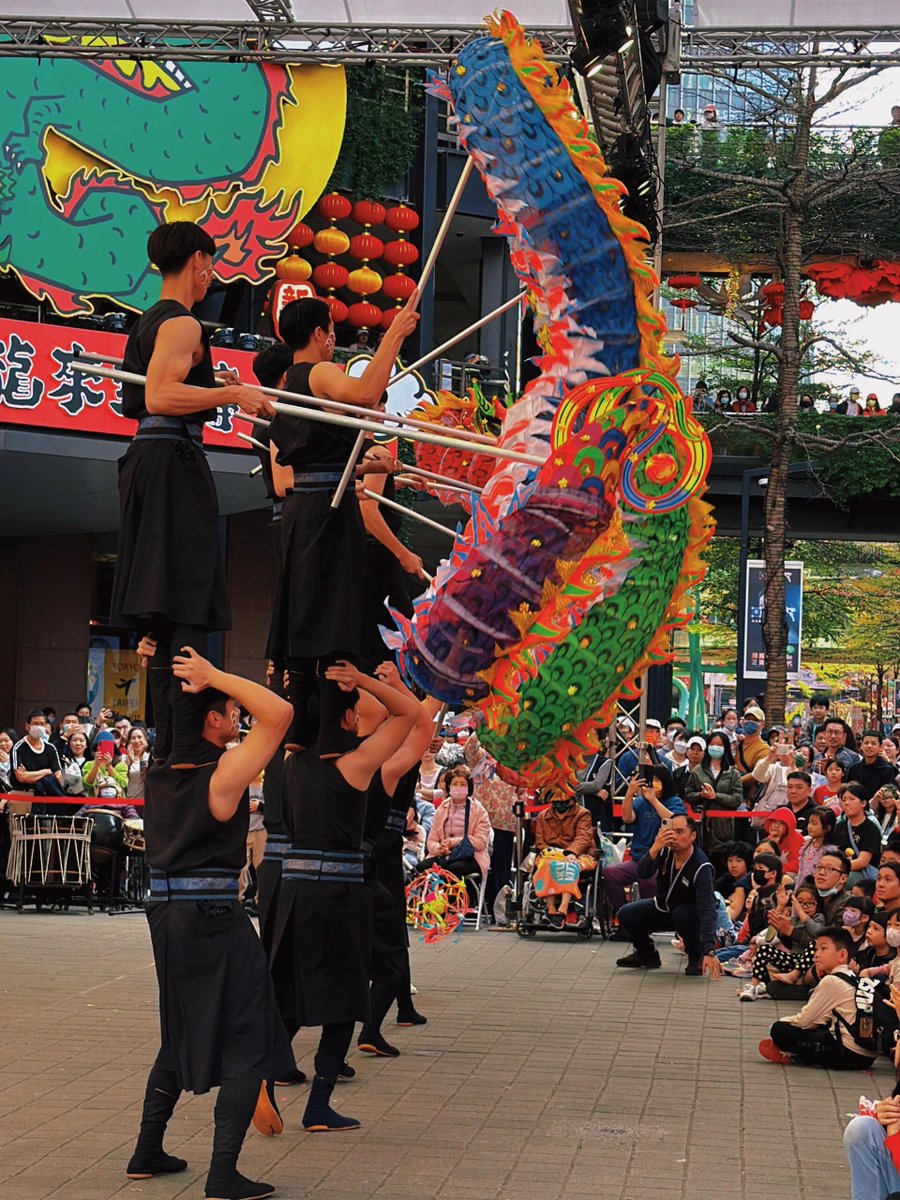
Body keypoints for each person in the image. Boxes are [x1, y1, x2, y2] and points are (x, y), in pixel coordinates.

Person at [125, 645, 294, 1200]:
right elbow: (280, 714)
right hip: (213, 918)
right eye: (230, 712)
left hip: (166, 916)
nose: (239, 719)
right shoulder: (220, 773)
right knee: (249, 1037)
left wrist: (160, 667)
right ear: (212, 718)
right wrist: (214, 674)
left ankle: (147, 1151)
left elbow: (188, 717)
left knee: (179, 1031)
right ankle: (222, 1175)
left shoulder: (158, 771)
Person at [110, 221, 274, 766]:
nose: (212, 275)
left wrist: (212, 386)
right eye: (211, 264)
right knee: (184, 603)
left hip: (151, 460)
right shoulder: (182, 324)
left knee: (164, 609)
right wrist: (231, 393)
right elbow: (160, 395)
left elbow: (155, 392)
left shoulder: (151, 320)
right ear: (198, 261)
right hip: (172, 460)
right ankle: (184, 748)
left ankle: (171, 748)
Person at [269, 659, 419, 1133]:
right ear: (348, 717)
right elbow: (411, 714)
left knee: (291, 996)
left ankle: (261, 1080)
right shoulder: (356, 764)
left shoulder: (293, 763)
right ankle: (317, 1106)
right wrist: (363, 679)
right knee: (347, 1001)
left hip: (294, 890)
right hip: (338, 892)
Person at [264, 293, 419, 748]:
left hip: (307, 507)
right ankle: (334, 724)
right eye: (331, 330)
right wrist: (393, 336)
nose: (334, 338)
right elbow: (366, 394)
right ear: (320, 334)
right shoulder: (318, 373)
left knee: (306, 612)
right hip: (329, 510)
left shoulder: (289, 383)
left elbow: (325, 454)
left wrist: (370, 463)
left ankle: (302, 724)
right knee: (334, 616)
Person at [615, 814, 723, 979]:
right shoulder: (665, 851)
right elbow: (642, 873)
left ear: (693, 836)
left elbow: (707, 909)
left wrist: (709, 950)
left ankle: (696, 954)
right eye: (671, 831)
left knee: (682, 915)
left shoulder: (701, 866)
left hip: (690, 916)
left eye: (680, 832)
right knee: (626, 913)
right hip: (663, 907)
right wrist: (655, 847)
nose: (674, 837)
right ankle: (646, 953)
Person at [758, 927, 876, 1070]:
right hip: (867, 1056)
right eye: (816, 949)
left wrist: (782, 1021)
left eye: (823, 949)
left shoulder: (832, 981)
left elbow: (804, 1021)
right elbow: (821, 1019)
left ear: (842, 955)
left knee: (779, 1030)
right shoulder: (851, 977)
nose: (816, 955)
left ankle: (796, 1055)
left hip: (847, 1054)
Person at [358, 441, 426, 668]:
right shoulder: (376, 452)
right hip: (376, 558)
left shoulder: (350, 448)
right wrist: (402, 553)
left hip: (363, 554)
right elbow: (367, 511)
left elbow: (367, 489)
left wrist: (400, 482)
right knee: (396, 632)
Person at [604, 765, 686, 914]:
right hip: (638, 859)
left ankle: (651, 916)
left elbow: (675, 822)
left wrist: (654, 800)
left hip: (663, 861)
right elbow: (627, 818)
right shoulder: (640, 802)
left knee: (647, 877)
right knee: (611, 873)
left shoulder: (674, 801)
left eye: (657, 780)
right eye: (650, 780)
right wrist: (629, 793)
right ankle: (623, 913)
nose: (653, 784)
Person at [531, 788, 597, 929]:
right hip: (551, 854)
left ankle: (563, 908)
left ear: (571, 801)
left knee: (570, 865)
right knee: (546, 864)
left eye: (563, 801)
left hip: (579, 854)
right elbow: (540, 842)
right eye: (556, 802)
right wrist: (551, 852)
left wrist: (571, 852)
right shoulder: (543, 816)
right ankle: (550, 909)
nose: (560, 804)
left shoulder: (583, 814)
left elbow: (583, 837)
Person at [418, 764, 491, 882]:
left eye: (462, 784)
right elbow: (431, 841)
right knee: (420, 868)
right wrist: (439, 848)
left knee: (453, 869)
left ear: (469, 787)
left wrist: (455, 841)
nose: (458, 787)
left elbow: (480, 842)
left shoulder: (479, 811)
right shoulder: (441, 809)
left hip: (470, 855)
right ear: (449, 786)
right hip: (445, 855)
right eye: (455, 784)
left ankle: (454, 895)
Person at [684, 731, 743, 868]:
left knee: (721, 862)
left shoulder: (733, 772)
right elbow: (688, 794)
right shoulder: (698, 770)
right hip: (702, 823)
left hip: (724, 825)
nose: (715, 747)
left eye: (719, 745)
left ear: (726, 748)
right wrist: (701, 795)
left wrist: (716, 796)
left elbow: (737, 799)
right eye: (712, 744)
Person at [11, 710, 66, 799]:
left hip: (46, 796)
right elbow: (21, 777)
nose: (39, 727)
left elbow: (58, 776)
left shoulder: (50, 748)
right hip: (23, 795)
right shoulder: (19, 747)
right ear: (27, 726)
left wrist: (30, 775)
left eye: (42, 724)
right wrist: (46, 772)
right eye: (36, 724)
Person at [834, 785, 883, 883]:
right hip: (840, 869)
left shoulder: (871, 828)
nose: (847, 803)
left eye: (852, 799)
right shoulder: (839, 826)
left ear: (863, 803)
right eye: (844, 800)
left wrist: (836, 868)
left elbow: (862, 862)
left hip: (861, 873)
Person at [848, 730, 897, 801]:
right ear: (861, 745)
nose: (869, 746)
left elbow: (889, 796)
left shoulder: (887, 770)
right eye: (866, 743)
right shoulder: (853, 769)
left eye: (873, 743)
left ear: (880, 747)